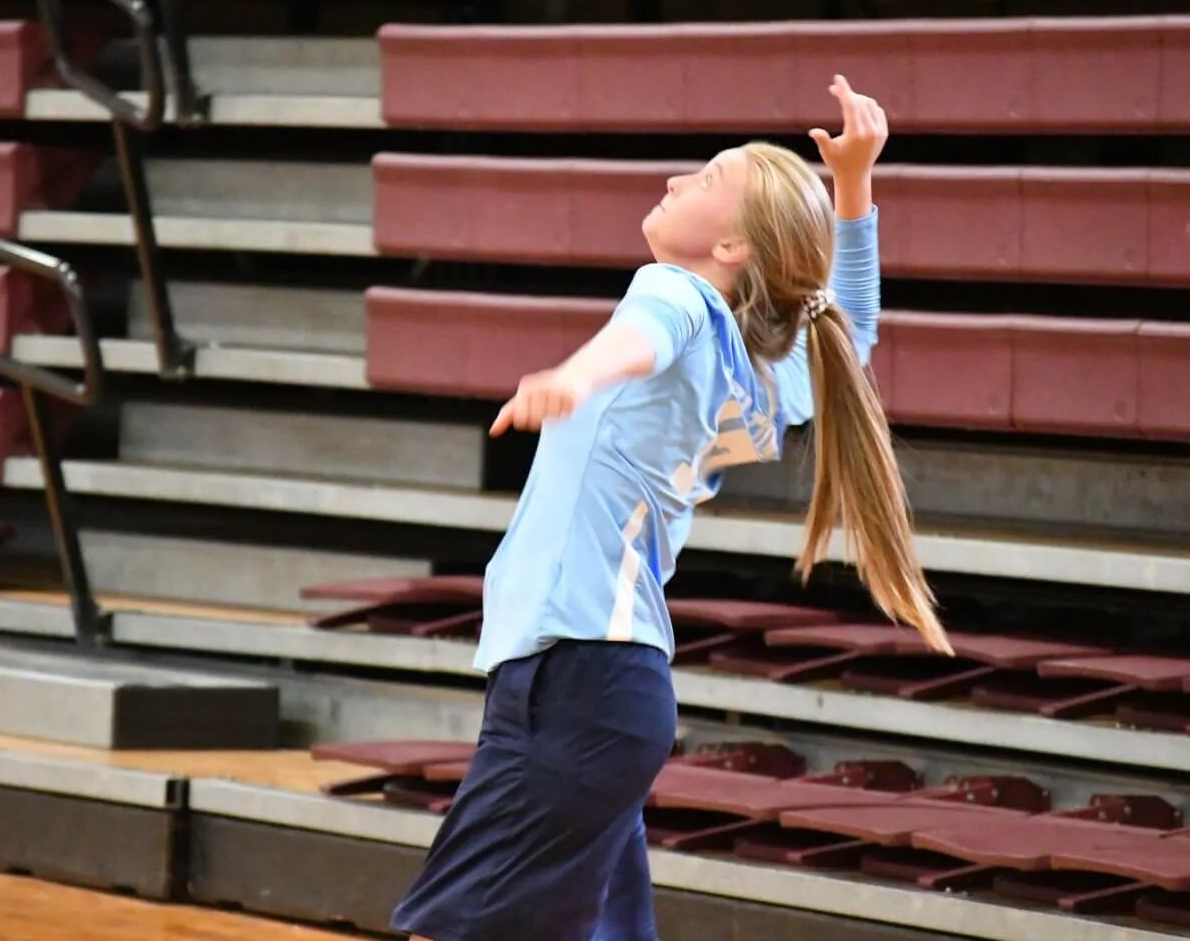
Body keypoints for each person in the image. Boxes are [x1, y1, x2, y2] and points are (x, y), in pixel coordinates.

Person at [391, 76, 949, 941]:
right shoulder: (762, 379)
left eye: (707, 178)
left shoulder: (681, 294)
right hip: (608, 694)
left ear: (731, 245)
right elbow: (854, 332)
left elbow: (642, 332)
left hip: (577, 684)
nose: (677, 180)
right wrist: (853, 189)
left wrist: (576, 374)